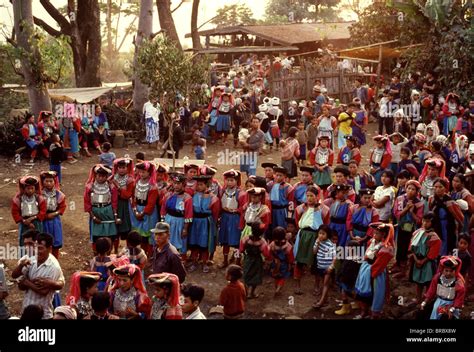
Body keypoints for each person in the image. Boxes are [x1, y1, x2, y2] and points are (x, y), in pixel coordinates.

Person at [12, 233, 65, 320]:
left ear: (49, 249)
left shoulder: (53, 267)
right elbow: (19, 283)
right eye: (36, 247)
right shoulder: (30, 260)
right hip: (27, 310)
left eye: (40, 248)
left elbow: (44, 291)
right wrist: (21, 266)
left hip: (44, 315)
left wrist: (27, 282)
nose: (37, 251)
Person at [293, 186, 330, 294]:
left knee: (316, 261)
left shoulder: (324, 209)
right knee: (299, 260)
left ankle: (317, 285)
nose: (309, 198)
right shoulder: (300, 208)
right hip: (303, 235)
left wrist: (322, 238)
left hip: (317, 236)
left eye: (312, 196)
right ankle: (298, 285)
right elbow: (297, 221)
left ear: (317, 196)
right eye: (307, 196)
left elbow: (326, 224)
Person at [354, 223, 395, 319]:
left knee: (374, 292)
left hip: (376, 273)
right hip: (366, 268)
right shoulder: (372, 242)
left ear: (383, 235)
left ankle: (374, 314)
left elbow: (379, 264)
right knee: (363, 293)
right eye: (374, 233)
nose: (374, 235)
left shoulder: (386, 248)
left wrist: (371, 273)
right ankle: (364, 311)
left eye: (377, 233)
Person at [188, 175, 220, 273]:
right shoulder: (193, 196)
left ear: (207, 185)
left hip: (206, 223)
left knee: (204, 242)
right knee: (194, 242)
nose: (198, 187)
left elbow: (215, 213)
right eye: (197, 184)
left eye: (201, 185)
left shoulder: (213, 198)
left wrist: (213, 224)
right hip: (194, 222)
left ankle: (204, 262)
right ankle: (194, 262)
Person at [83, 165, 118, 252]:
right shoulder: (89, 187)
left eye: (103, 176)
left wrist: (115, 216)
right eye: (99, 176)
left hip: (108, 212)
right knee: (96, 236)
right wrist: (93, 217)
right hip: (95, 212)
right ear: (96, 176)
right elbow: (87, 203)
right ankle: (97, 254)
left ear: (107, 177)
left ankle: (108, 253)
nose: (101, 178)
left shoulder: (111, 187)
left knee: (109, 234)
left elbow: (114, 202)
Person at [393, 180, 424, 277]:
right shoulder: (400, 199)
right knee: (399, 246)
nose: (410, 191)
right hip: (401, 227)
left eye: (413, 189)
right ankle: (398, 265)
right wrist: (406, 209)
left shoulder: (419, 203)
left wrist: (411, 212)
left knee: (408, 247)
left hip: (412, 229)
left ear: (417, 191)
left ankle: (404, 270)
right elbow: (396, 214)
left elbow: (419, 220)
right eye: (408, 188)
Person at [408, 212, 442, 303]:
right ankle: (418, 298)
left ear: (432, 223)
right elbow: (411, 247)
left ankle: (427, 299)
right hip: (417, 259)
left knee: (428, 282)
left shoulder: (434, 237)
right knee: (418, 282)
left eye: (427, 221)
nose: (424, 223)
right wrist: (415, 259)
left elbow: (433, 253)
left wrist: (423, 261)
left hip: (427, 262)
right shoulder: (417, 232)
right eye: (423, 221)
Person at [161, 173, 193, 259]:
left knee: (181, 241)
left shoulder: (187, 198)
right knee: (168, 240)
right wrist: (163, 223)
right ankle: (167, 258)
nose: (176, 186)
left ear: (183, 184)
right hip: (169, 221)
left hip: (180, 223)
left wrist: (185, 228)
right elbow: (163, 210)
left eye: (178, 183)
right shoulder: (167, 196)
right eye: (174, 183)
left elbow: (188, 214)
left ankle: (181, 260)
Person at [429, 178, 464, 256]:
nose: (437, 189)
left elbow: (460, 217)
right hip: (436, 226)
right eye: (435, 187)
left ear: (445, 188)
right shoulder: (432, 199)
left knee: (447, 243)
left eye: (440, 187)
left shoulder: (450, 202)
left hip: (447, 227)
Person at [219, 170, 246, 268]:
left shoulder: (241, 193)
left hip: (235, 219)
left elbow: (243, 208)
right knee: (225, 240)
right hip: (225, 218)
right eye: (228, 180)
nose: (229, 182)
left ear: (237, 181)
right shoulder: (223, 191)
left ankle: (237, 261)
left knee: (236, 241)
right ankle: (225, 260)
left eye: (232, 180)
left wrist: (235, 210)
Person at [130, 161, 159, 256]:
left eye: (144, 172)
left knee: (149, 235)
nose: (141, 174)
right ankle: (141, 253)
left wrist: (142, 213)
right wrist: (135, 211)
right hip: (137, 209)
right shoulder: (136, 183)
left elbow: (151, 203)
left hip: (148, 213)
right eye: (140, 172)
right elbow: (133, 197)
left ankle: (150, 254)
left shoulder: (153, 186)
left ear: (149, 172)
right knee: (139, 234)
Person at [11, 176, 46, 247]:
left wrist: (32, 218)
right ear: (24, 189)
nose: (30, 190)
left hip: (37, 222)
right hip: (24, 222)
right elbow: (15, 212)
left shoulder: (40, 199)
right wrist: (24, 221)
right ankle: (24, 256)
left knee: (37, 239)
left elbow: (43, 211)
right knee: (24, 241)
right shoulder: (18, 200)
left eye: (32, 188)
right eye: (28, 188)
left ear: (35, 188)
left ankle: (37, 256)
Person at [40, 171, 66, 259]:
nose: (49, 183)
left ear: (54, 182)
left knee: (56, 241)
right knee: (43, 241)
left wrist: (55, 213)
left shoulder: (59, 195)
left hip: (55, 220)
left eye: (51, 181)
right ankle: (44, 260)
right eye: (46, 181)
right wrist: (44, 215)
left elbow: (62, 207)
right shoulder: (39, 195)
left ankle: (55, 261)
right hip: (43, 221)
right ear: (42, 182)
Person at [110, 158, 135, 250]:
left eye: (124, 167)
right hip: (114, 204)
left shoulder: (130, 180)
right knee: (115, 229)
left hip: (125, 206)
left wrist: (118, 187)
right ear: (117, 168)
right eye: (119, 167)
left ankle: (129, 249)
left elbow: (128, 195)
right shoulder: (112, 178)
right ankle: (115, 250)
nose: (121, 169)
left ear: (127, 168)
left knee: (127, 228)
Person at [240, 222, 269, 299]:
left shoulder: (246, 238)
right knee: (256, 276)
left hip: (248, 259)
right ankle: (251, 293)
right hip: (257, 260)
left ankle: (245, 293)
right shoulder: (262, 242)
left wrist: (244, 255)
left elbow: (241, 249)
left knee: (246, 275)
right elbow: (266, 253)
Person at [334, 240, 363, 316]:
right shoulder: (354, 258)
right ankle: (355, 304)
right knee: (348, 292)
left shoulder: (353, 261)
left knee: (344, 293)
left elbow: (349, 273)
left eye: (349, 248)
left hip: (347, 281)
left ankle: (345, 308)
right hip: (347, 280)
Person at [311, 225, 337, 308]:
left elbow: (335, 256)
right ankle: (326, 299)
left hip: (327, 267)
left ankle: (321, 302)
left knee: (325, 284)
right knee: (324, 283)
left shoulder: (330, 244)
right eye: (320, 233)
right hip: (320, 266)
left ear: (327, 235)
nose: (321, 235)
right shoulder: (317, 241)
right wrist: (317, 244)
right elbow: (314, 252)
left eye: (323, 234)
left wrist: (331, 266)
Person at [268, 166, 294, 237]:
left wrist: (289, 217)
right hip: (272, 210)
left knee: (281, 228)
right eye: (277, 175)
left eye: (281, 175)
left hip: (282, 211)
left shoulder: (288, 188)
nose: (278, 177)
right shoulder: (269, 185)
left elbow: (291, 203)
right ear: (274, 175)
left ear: (285, 176)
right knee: (271, 229)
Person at [269, 227, 294, 297]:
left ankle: (276, 287)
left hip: (275, 263)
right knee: (282, 277)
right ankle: (279, 288)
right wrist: (290, 264)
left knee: (276, 276)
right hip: (284, 264)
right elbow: (290, 256)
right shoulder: (288, 245)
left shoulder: (272, 244)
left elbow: (269, 253)